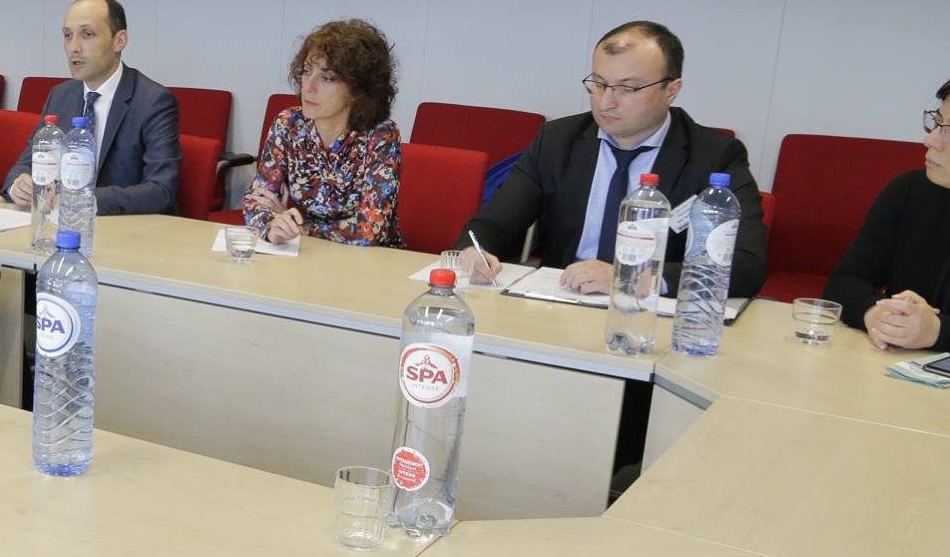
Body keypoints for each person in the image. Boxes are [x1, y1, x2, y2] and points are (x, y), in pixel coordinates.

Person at [459, 20, 768, 298]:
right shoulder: (557, 141)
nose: (606, 101)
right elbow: (493, 224)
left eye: (628, 88)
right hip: (563, 298)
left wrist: (632, 278)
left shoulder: (714, 156)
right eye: (599, 84)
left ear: (671, 90)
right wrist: (475, 252)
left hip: (651, 310)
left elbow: (746, 265)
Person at [2, 0, 181, 215]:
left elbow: (161, 190)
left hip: (122, 225)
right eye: (68, 35)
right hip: (59, 221)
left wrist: (82, 200)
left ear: (119, 41)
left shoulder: (153, 101)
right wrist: (18, 184)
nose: (73, 47)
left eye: (87, 34)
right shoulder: (61, 95)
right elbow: (27, 163)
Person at [240, 19, 403, 247]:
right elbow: (256, 201)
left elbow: (370, 231)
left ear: (358, 90)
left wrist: (300, 229)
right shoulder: (288, 124)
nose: (309, 87)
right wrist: (272, 226)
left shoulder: (381, 135)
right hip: (304, 253)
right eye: (307, 72)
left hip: (367, 261)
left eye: (327, 78)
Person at [824, 80, 950, 352]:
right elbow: (844, 282)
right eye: (937, 123)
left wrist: (938, 331)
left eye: (948, 131)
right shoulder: (909, 191)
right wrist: (875, 313)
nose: (930, 140)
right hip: (892, 364)